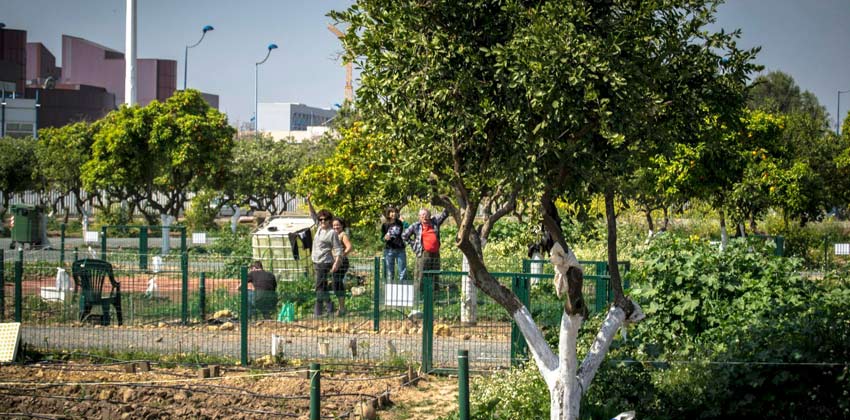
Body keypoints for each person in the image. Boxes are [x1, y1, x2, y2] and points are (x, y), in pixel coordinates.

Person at [307, 195, 344, 317]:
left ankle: (318, 312)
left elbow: (338, 249)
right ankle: (330, 307)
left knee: (319, 287)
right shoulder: (319, 228)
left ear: (329, 220)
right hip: (316, 261)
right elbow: (313, 215)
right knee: (322, 287)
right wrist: (308, 201)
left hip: (325, 262)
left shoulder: (332, 233)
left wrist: (336, 263)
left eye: (325, 219)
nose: (322, 221)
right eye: (321, 219)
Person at [402, 207, 449, 299]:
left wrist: (447, 204)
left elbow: (444, 215)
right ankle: (418, 298)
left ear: (429, 215)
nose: (424, 217)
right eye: (421, 215)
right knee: (421, 276)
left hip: (435, 253)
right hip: (423, 253)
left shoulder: (435, 222)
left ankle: (434, 298)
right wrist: (414, 244)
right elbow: (404, 236)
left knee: (435, 275)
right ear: (419, 217)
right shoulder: (416, 226)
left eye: (425, 214)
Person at [331, 217, 353, 316]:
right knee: (336, 284)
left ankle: (342, 308)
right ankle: (340, 307)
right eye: (334, 225)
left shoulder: (342, 235)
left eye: (338, 225)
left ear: (342, 226)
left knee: (337, 284)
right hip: (334, 262)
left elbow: (349, 247)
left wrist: (341, 256)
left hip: (341, 263)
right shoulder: (332, 235)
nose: (336, 227)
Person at [382, 206, 407, 283]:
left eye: (395, 212)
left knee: (402, 271)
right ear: (388, 214)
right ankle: (390, 288)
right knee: (389, 272)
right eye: (392, 212)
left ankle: (402, 287)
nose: (394, 214)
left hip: (400, 249)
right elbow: (381, 238)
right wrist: (384, 238)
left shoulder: (400, 223)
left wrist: (404, 222)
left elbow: (409, 227)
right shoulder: (385, 225)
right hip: (389, 250)